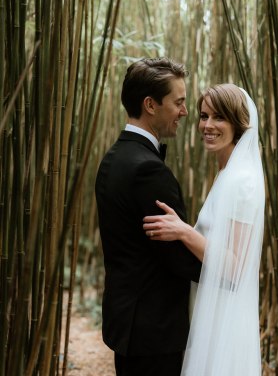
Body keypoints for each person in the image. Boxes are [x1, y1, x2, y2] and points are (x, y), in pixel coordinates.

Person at [143, 84, 265, 375]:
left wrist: (184, 232)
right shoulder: (227, 173)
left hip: (225, 321)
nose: (207, 125)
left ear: (239, 124)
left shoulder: (243, 182)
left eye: (219, 117)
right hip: (210, 310)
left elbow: (235, 267)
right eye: (204, 116)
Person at [95, 58, 202, 376]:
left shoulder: (113, 158)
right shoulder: (148, 170)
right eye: (179, 102)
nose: (184, 112)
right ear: (150, 105)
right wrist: (225, 262)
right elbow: (179, 259)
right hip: (154, 333)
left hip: (128, 325)